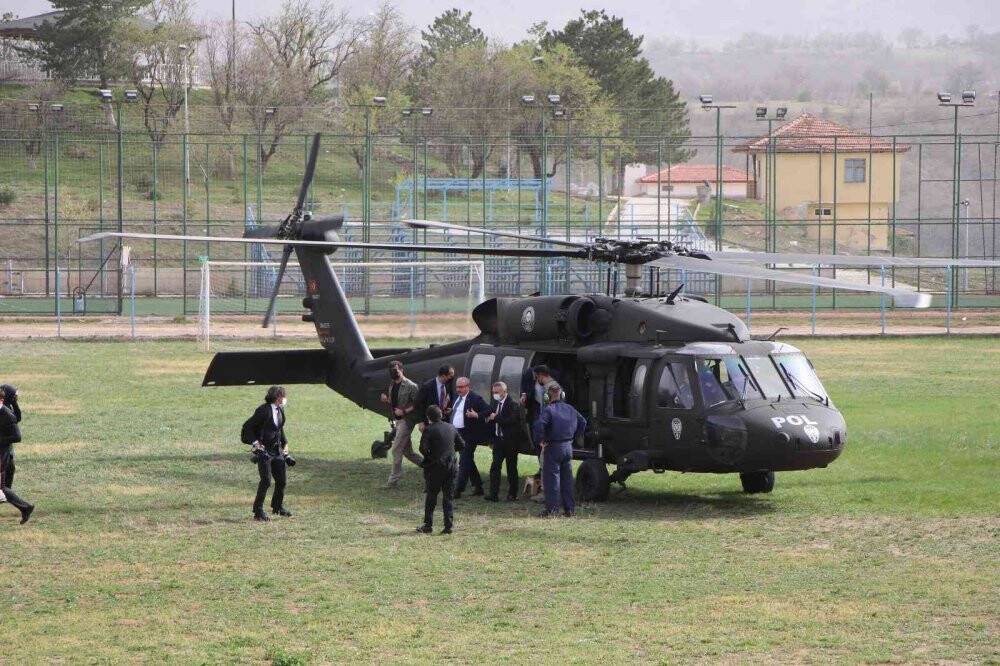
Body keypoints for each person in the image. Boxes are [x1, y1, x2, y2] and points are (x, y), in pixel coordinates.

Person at [532, 381, 587, 518]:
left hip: (553, 447)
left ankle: (552, 510)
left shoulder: (548, 410)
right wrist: (574, 436)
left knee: (552, 481)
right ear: (562, 395)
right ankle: (569, 509)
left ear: (547, 397)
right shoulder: (571, 409)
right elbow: (583, 422)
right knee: (567, 480)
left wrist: (541, 440)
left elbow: (539, 425)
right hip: (568, 447)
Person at [246, 386, 293, 521]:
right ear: (277, 398)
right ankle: (258, 510)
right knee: (266, 481)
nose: (284, 399)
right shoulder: (263, 410)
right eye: (282, 396)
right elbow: (248, 427)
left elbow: (279, 429)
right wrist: (255, 443)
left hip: (277, 450)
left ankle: (277, 507)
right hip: (264, 451)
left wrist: (285, 444)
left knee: (282, 481)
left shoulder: (280, 410)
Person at [417, 405, 464, 534]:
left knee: (431, 497)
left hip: (436, 468)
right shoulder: (451, 427)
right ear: (441, 415)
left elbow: (422, 448)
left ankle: (428, 525)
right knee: (448, 497)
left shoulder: (429, 429)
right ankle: (448, 526)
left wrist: (431, 457)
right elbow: (462, 445)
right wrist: (450, 453)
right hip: (451, 466)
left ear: (428, 417)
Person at [380, 361, 423, 488]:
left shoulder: (411, 386)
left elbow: (418, 404)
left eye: (397, 371)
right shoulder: (392, 385)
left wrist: (404, 411)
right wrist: (386, 400)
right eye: (392, 372)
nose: (395, 373)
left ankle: (393, 481)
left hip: (407, 420)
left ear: (402, 370)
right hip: (398, 421)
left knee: (396, 449)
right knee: (408, 452)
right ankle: (430, 466)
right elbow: (395, 402)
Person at [485, 381, 527, 502]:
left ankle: (512, 494)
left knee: (511, 468)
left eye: (497, 392)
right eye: (493, 392)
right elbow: (490, 416)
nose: (495, 394)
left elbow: (511, 420)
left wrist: (495, 417)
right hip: (498, 441)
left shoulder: (513, 405)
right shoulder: (495, 403)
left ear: (504, 392)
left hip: (510, 442)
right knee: (495, 467)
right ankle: (493, 494)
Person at [449, 376, 489, 499]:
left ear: (467, 387)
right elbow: (457, 412)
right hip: (456, 433)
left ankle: (457, 490)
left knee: (464, 461)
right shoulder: (457, 398)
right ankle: (478, 486)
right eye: (457, 387)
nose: (458, 389)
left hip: (469, 435)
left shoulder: (475, 398)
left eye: (461, 387)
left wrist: (476, 415)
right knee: (468, 460)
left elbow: (488, 410)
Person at [0, 389, 32, 524]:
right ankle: (25, 508)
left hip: (2, 455)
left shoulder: (6, 414)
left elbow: (17, 437)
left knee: (1, 489)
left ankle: (26, 507)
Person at [0, 384, 21, 489]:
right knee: (6, 468)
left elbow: (18, 418)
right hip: (3, 443)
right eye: (14, 396)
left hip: (6, 443)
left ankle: (5, 491)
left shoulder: (7, 406)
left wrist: (15, 403)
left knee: (10, 468)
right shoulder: (4, 409)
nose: (16, 397)